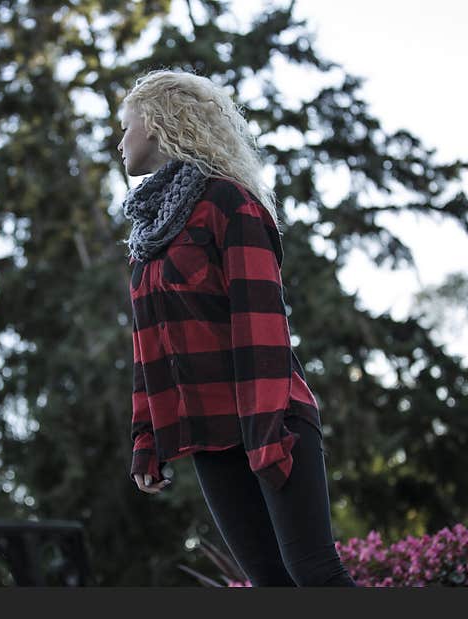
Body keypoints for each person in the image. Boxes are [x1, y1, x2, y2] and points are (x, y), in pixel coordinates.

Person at [117, 69, 357, 587]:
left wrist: (266, 436)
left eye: (126, 126)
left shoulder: (229, 203)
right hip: (212, 437)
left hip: (272, 422)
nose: (120, 141)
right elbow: (147, 346)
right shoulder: (148, 234)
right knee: (271, 585)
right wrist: (145, 438)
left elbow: (261, 328)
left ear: (158, 125)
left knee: (314, 573)